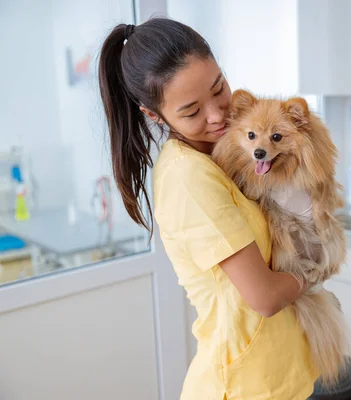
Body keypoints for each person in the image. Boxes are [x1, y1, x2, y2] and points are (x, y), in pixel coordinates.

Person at [98, 18, 319, 400]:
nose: (217, 115)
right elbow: (264, 296)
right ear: (155, 115)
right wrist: (317, 266)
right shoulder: (189, 178)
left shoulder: (227, 152)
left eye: (219, 89)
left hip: (278, 377)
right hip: (242, 387)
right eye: (191, 111)